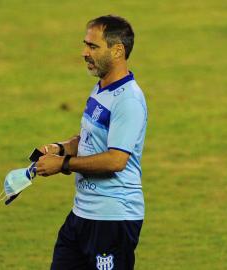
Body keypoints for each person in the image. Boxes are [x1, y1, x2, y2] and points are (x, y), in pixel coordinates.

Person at [35, 15, 148, 270]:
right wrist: (60, 148)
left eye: (93, 46)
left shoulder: (128, 100)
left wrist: (63, 164)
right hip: (82, 215)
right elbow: (89, 140)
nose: (84, 52)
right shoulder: (102, 88)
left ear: (117, 50)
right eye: (85, 44)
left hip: (112, 219)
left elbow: (116, 160)